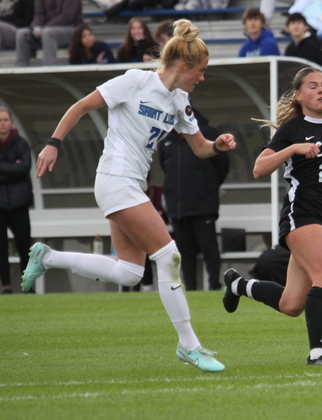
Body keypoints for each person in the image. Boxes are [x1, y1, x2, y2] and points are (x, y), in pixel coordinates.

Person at [23, 19, 237, 372]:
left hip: (130, 185)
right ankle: (190, 346)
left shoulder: (180, 102)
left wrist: (219, 145)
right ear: (182, 67)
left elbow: (200, 148)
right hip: (114, 178)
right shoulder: (134, 81)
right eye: (200, 71)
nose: (202, 78)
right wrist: (52, 144)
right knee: (169, 256)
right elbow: (80, 106)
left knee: (130, 273)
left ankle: (48, 258)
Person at [222, 67, 322, 366]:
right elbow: (258, 168)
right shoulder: (292, 129)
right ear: (300, 95)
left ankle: (238, 285)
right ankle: (318, 353)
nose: (321, 91)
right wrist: (293, 148)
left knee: (291, 304)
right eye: (313, 87)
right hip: (301, 213)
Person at [158, 109, 229, 291]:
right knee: (184, 252)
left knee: (209, 249)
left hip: (203, 204)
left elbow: (222, 165)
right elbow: (165, 168)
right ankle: (190, 288)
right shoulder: (166, 138)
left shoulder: (207, 133)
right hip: (177, 206)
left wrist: (208, 187)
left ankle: (214, 286)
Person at [0, 107, 33, 294]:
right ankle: (6, 286)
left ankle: (27, 285)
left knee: (24, 246)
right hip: (0, 205)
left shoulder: (21, 143)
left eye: (5, 119)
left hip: (19, 203)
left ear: (11, 122)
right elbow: (18, 171)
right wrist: (13, 168)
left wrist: (5, 169)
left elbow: (24, 169)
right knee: (1, 248)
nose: (2, 123)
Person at [14, 0, 82, 67]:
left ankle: (48, 67)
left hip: (72, 29)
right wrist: (35, 28)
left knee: (48, 33)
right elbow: (39, 15)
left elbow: (67, 17)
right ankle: (20, 66)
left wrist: (44, 28)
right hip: (47, 29)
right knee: (21, 33)